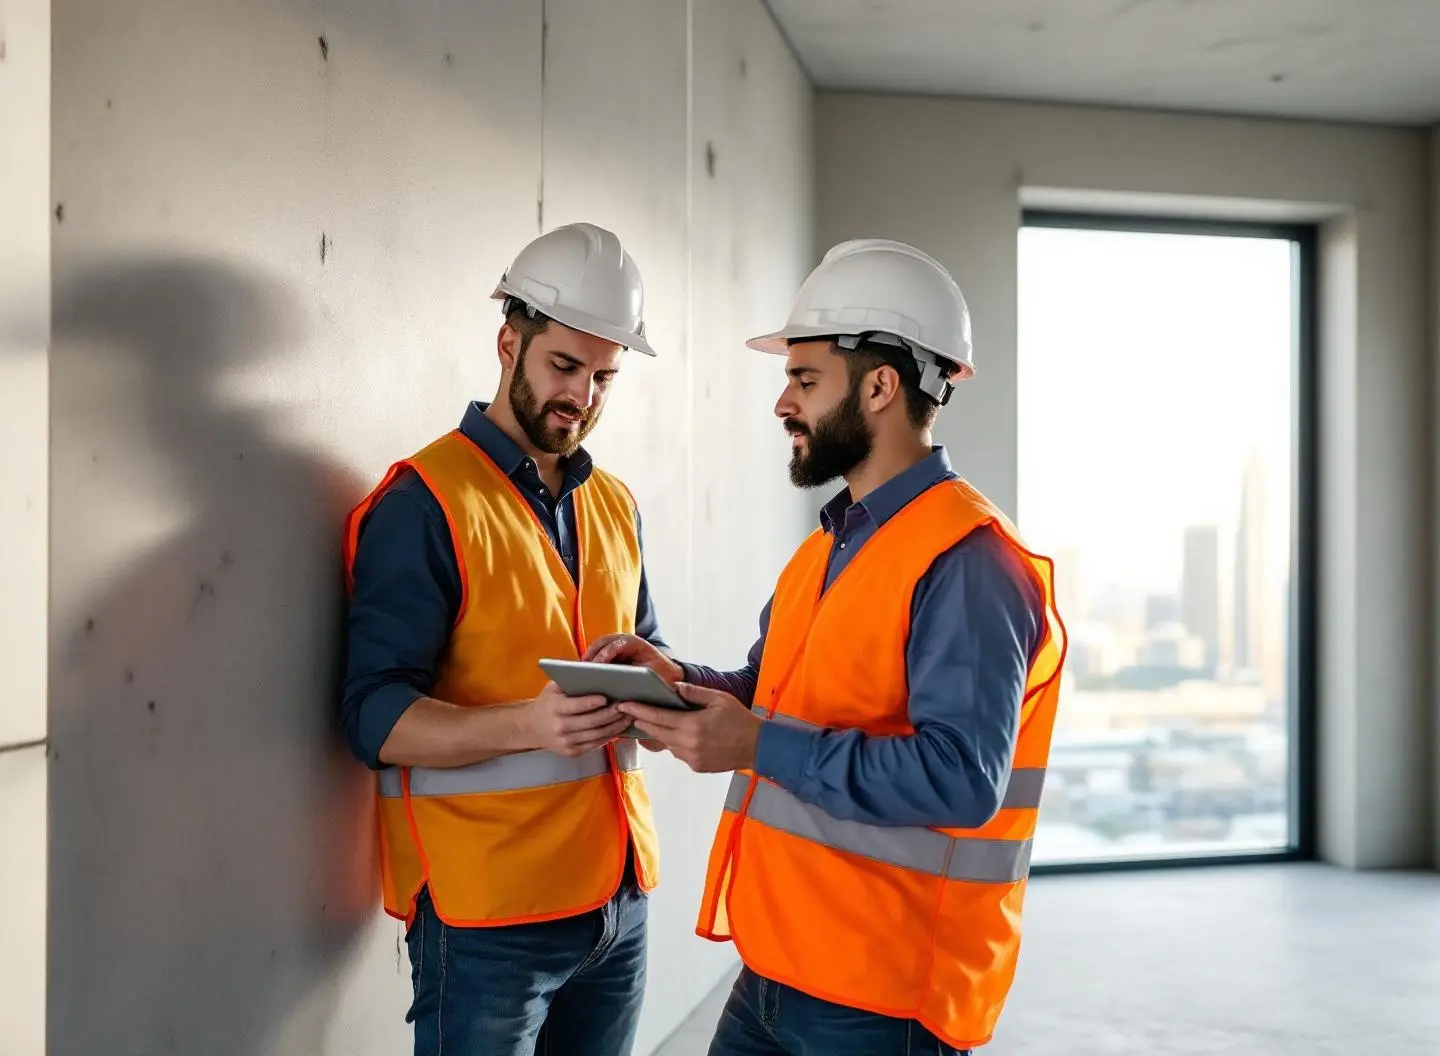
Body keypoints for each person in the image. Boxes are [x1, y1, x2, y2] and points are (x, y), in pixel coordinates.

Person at [587, 239, 1066, 1055]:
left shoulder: (971, 564)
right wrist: (675, 679)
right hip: (776, 968)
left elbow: (962, 780)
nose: (782, 402)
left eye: (804, 380)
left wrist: (758, 743)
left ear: (881, 386)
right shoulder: (832, 545)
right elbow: (771, 689)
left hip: (883, 999)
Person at [341, 222, 668, 1056]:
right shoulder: (425, 502)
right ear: (507, 342)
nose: (584, 396)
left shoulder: (616, 504)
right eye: (564, 366)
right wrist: (530, 725)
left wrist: (665, 698)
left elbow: (646, 652)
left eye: (605, 376)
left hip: (617, 903)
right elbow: (374, 718)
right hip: (487, 918)